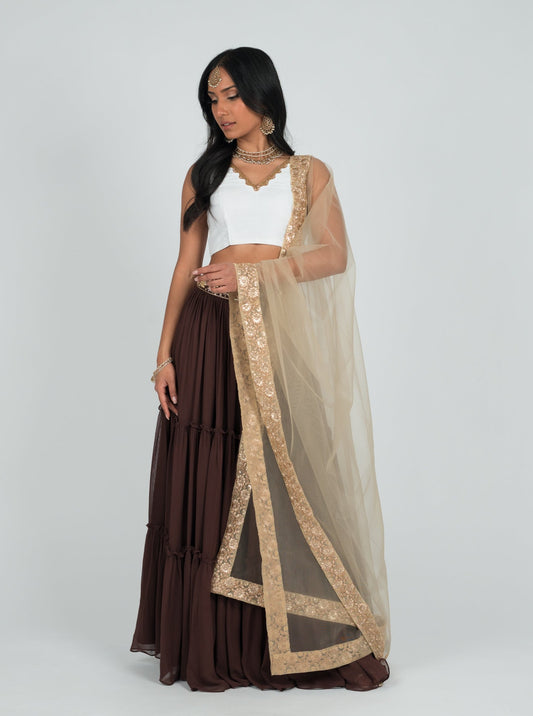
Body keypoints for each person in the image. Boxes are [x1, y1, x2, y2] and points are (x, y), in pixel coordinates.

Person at [130, 46, 391, 693]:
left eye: (231, 95)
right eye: (211, 99)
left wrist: (254, 276)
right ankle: (210, 641)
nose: (221, 109)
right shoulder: (204, 174)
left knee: (284, 469)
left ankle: (290, 641)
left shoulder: (308, 173)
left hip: (274, 332)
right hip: (208, 333)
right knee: (212, 471)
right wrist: (163, 356)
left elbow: (332, 256)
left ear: (261, 96)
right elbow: (185, 262)